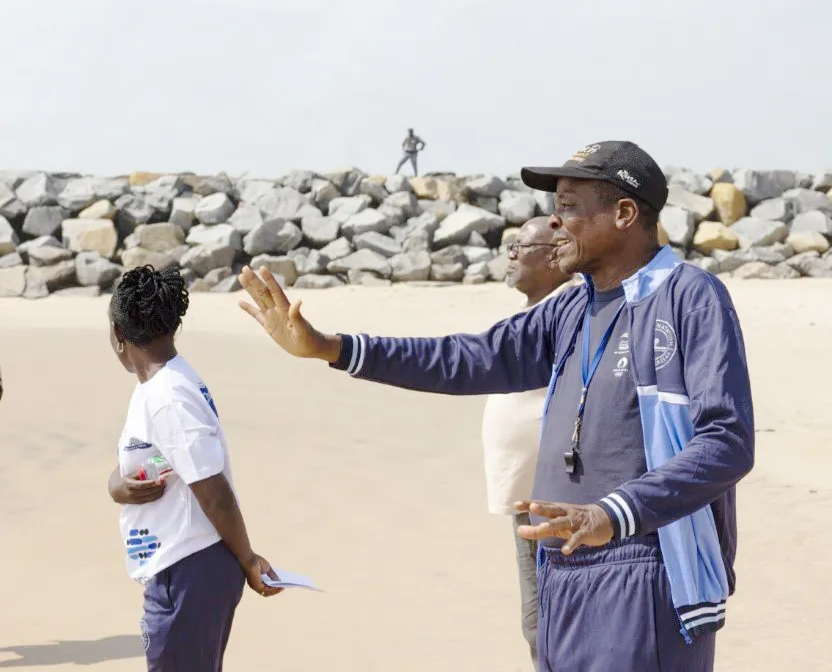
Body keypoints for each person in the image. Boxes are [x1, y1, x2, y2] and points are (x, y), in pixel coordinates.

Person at [236, 140, 755, 672]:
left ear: (624, 214)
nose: (555, 223)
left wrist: (612, 514)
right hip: (563, 572)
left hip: (645, 568)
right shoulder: (571, 307)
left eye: (570, 207)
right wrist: (330, 348)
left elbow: (727, 442)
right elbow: (466, 358)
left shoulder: (691, 298)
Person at [105, 264, 282, 671]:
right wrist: (117, 486)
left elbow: (214, 493)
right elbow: (153, 459)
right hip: (181, 570)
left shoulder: (168, 396)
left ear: (119, 335)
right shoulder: (155, 386)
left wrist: (250, 561)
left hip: (189, 570)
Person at [485, 216, 574, 667]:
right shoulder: (534, 314)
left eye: (523, 246)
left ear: (556, 256)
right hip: (528, 499)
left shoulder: (571, 311)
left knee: (551, 622)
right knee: (536, 621)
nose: (512, 253)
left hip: (561, 501)